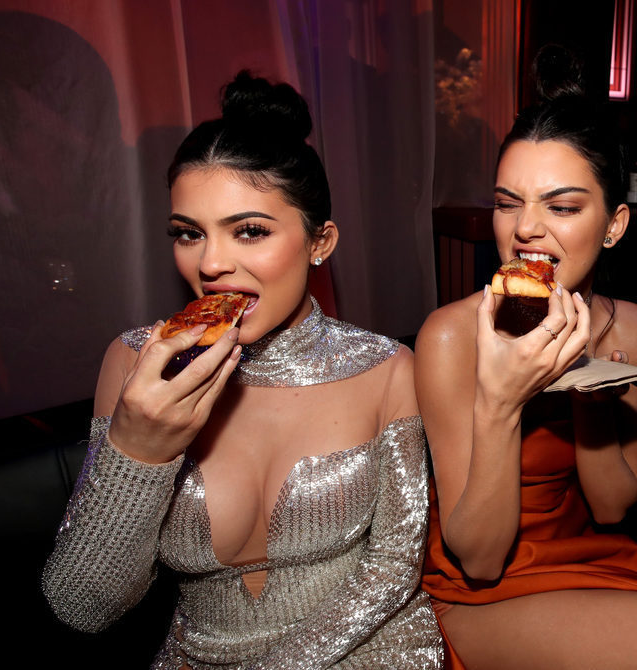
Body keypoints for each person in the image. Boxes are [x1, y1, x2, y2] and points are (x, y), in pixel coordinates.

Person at [42, 72, 443, 669]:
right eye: (188, 234)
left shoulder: (385, 368)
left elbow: (391, 571)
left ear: (320, 241)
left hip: (370, 648)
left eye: (249, 231)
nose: (210, 263)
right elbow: (83, 607)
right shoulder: (134, 364)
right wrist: (138, 449)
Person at [416, 58, 637, 669]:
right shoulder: (451, 335)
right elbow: (478, 559)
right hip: (476, 590)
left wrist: (591, 388)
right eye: (509, 203)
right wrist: (501, 401)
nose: (525, 229)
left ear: (614, 225)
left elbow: (611, 506)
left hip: (586, 556)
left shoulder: (632, 327)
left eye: (562, 208)